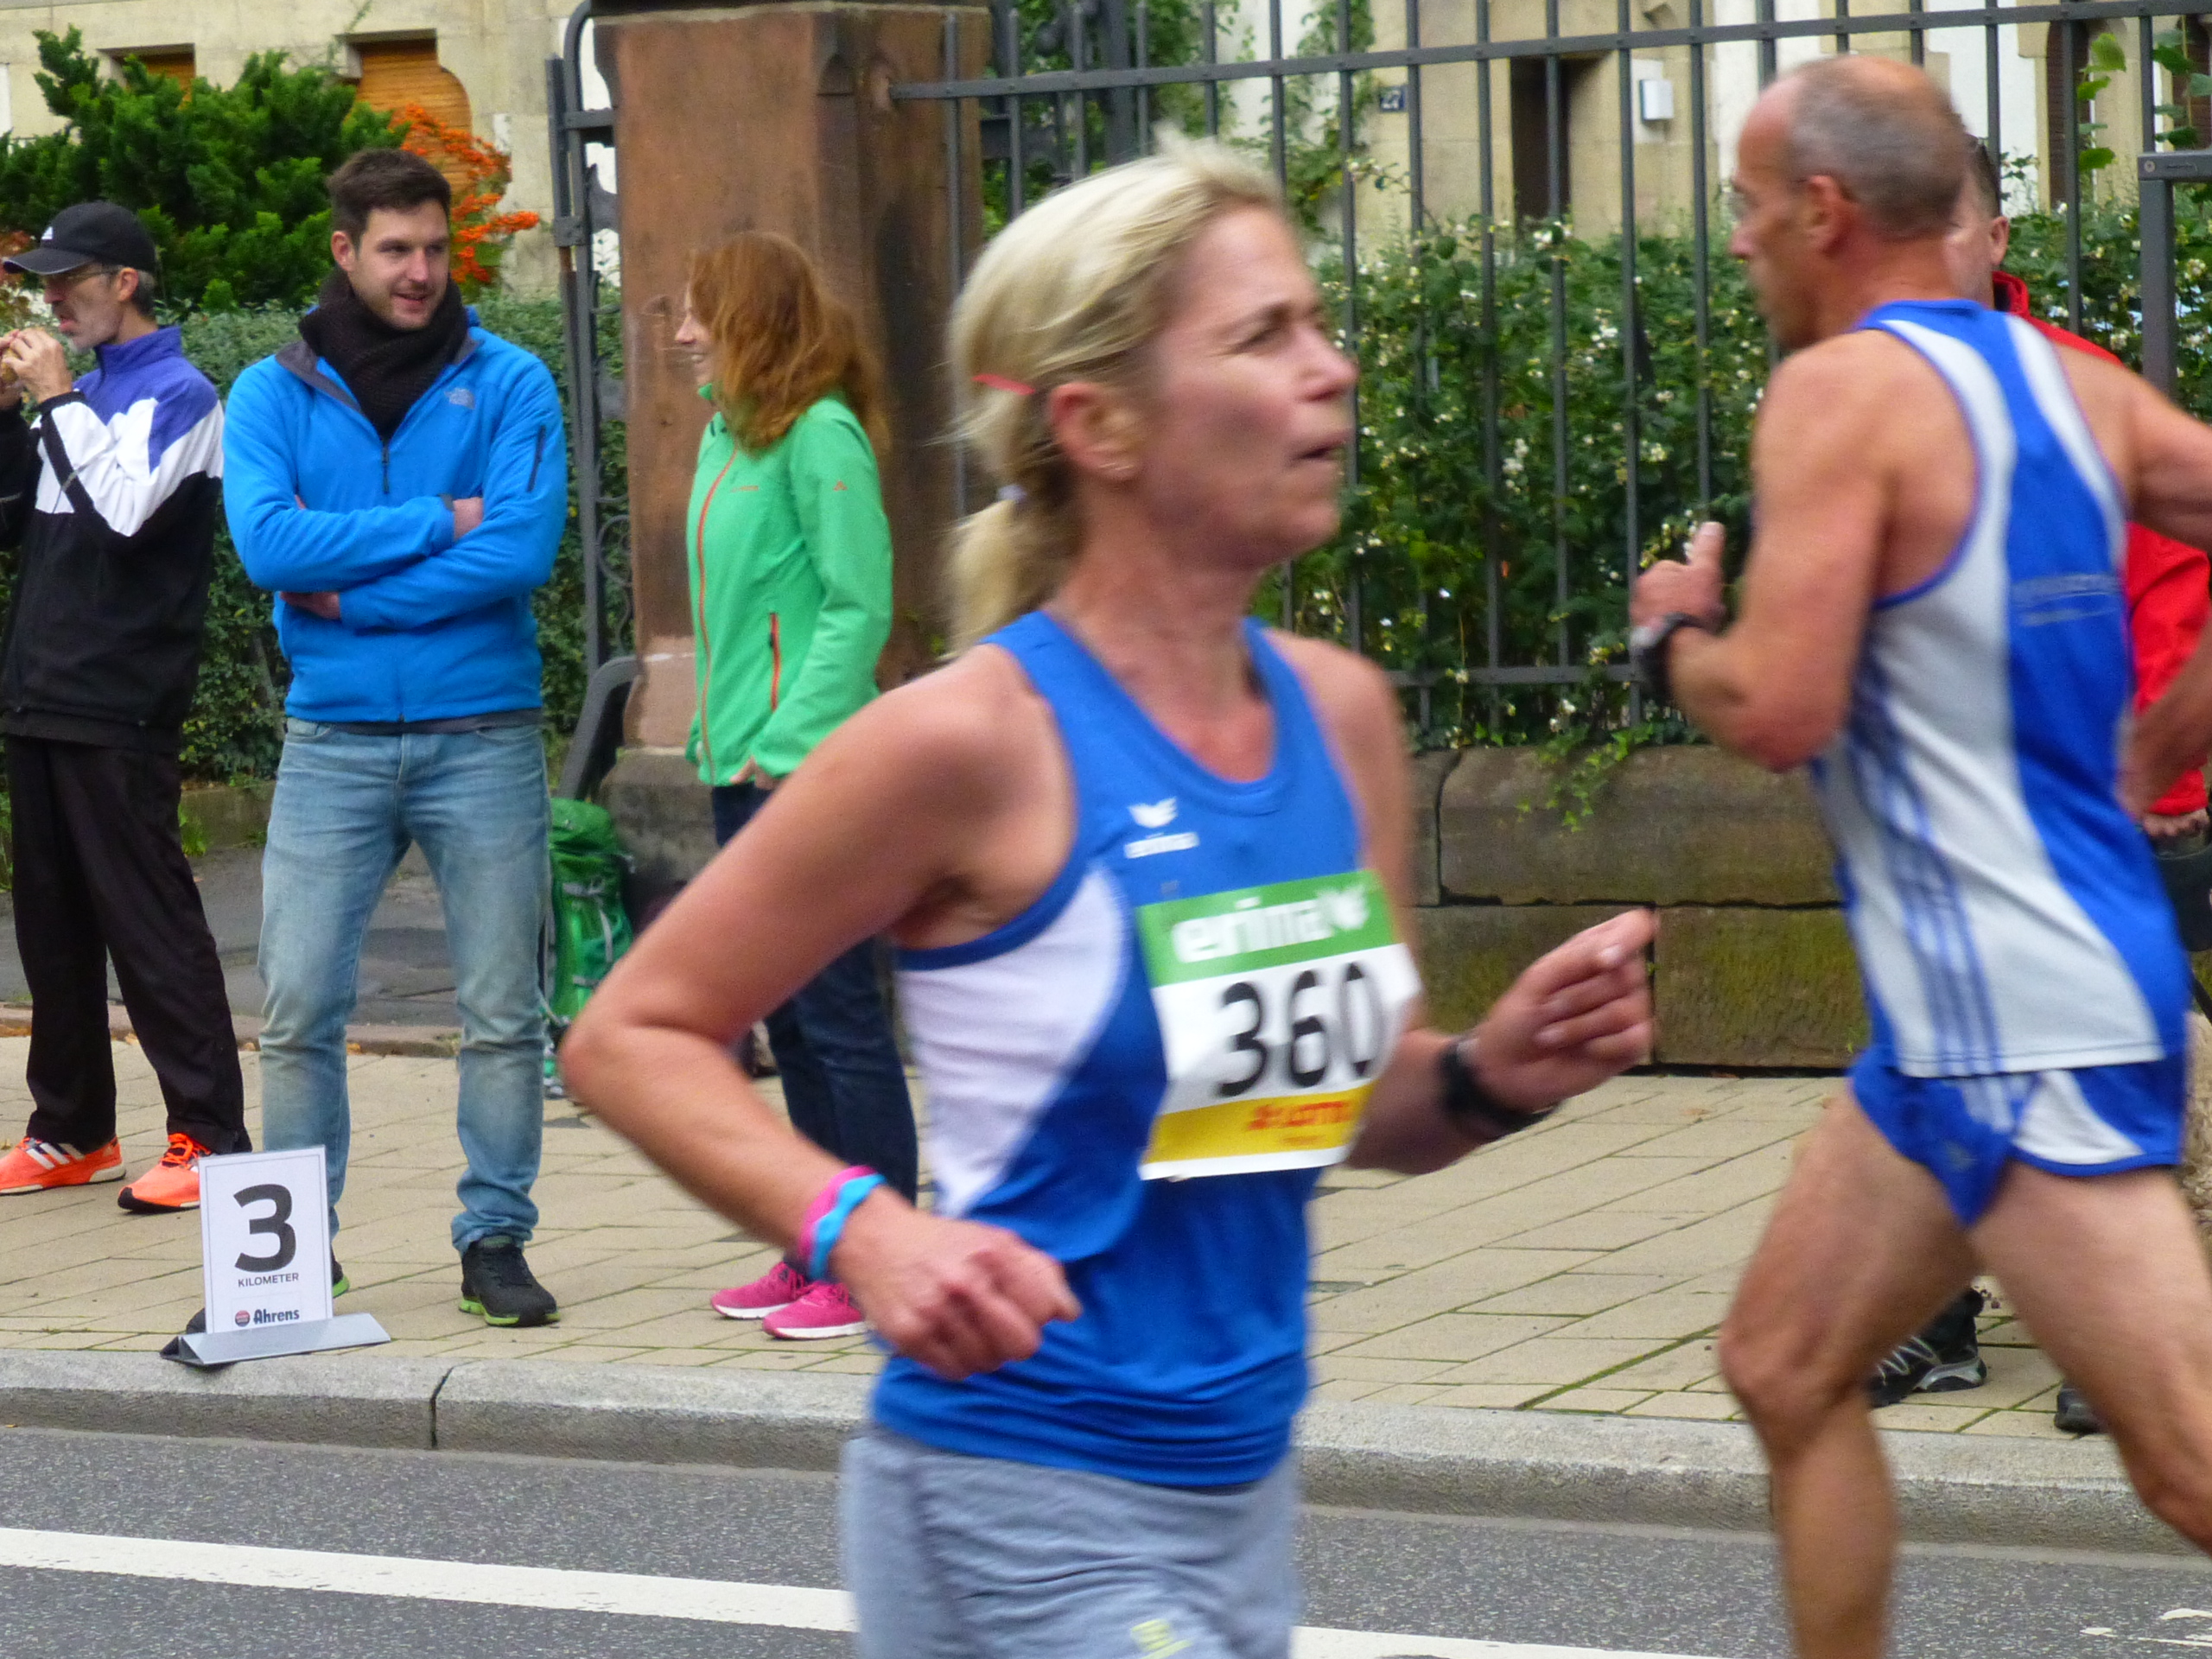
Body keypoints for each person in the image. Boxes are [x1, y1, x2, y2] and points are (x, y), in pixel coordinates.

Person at [563, 140, 1654, 1658]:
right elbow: (631, 1035)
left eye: (1319, 323)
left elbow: (1337, 1110)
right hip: (1017, 1496)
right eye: (1264, 335)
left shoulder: (1339, 717)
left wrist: (1488, 1074)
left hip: (1241, 1500)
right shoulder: (971, 742)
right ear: (1100, 424)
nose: (1332, 370)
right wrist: (866, 1234)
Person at [1631, 57, 2212, 1659]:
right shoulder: (2073, 384)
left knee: (2186, 1460)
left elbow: (1780, 705)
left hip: (2024, 1019)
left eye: (1749, 207)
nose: (1739, 240)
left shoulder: (1837, 395)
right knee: (1783, 1365)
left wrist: (1671, 640)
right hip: (1958, 1030)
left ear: (1824, 212)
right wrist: (2170, 737)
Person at [1866, 139, 2212, 1436]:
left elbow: (2172, 575)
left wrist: (2157, 768)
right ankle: (1940, 1315)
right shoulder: (1857, 393)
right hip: (1943, 813)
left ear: (1996, 239)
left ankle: (2124, 1320)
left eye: (1954, 226)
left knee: (2117, 1039)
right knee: (1939, 1043)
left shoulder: (2075, 386)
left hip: (2093, 798)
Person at [224, 148, 569, 1327]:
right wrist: (434, 519)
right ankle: (291, 1260)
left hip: (484, 732)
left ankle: (495, 1241)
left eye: (435, 249)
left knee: (503, 1012)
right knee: (296, 1010)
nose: (421, 272)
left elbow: (519, 550)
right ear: (345, 250)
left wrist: (352, 597)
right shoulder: (269, 392)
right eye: (395, 251)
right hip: (332, 739)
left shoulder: (511, 381)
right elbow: (268, 549)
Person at [671, 232, 918, 1341]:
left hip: (804, 773)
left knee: (838, 1018)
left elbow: (860, 604)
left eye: (700, 311)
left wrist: (786, 739)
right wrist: (719, 734)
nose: (684, 334)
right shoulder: (730, 434)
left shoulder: (821, 434)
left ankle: (878, 1261)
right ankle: (819, 1242)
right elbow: (739, 615)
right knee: (796, 1022)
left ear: (750, 321)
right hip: (743, 766)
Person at [0, 203, 251, 1213]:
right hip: (41, 693)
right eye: (46, 282)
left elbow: (121, 518)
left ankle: (210, 1138)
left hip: (121, 702)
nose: (53, 299)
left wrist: (56, 398)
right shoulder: (85, 391)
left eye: (71, 280)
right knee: (52, 928)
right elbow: (17, 524)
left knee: (150, 924)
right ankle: (72, 1129)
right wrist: (8, 415)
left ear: (126, 283)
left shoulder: (180, 394)